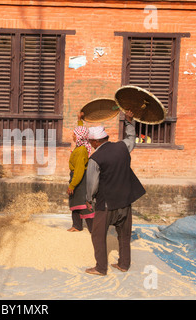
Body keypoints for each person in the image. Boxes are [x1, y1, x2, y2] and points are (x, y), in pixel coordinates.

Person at [85, 110, 146, 276]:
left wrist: (89, 199)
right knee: (124, 235)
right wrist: (129, 121)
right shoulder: (122, 147)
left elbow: (92, 183)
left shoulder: (95, 158)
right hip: (125, 201)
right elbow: (131, 139)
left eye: (91, 142)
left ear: (96, 142)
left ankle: (100, 268)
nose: (90, 144)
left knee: (98, 236)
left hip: (107, 204)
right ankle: (124, 264)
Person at [67, 112, 93, 233]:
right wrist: (79, 120)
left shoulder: (81, 150)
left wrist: (72, 184)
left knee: (83, 204)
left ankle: (94, 229)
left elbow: (79, 170)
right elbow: (81, 130)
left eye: (74, 134)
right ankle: (77, 226)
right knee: (75, 203)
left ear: (78, 137)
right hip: (78, 178)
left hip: (80, 179)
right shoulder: (81, 146)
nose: (72, 135)